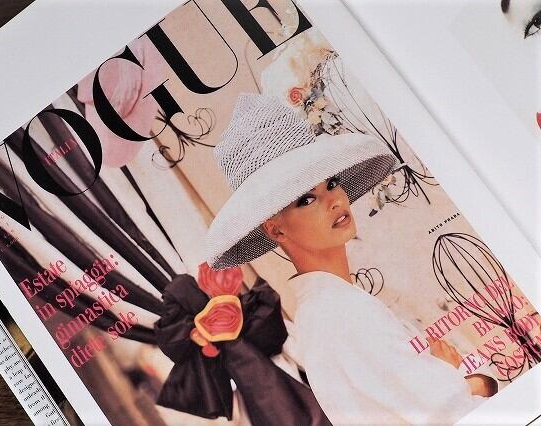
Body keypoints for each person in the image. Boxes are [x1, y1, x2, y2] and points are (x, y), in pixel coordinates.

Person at [205, 93, 497, 425]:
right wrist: (465, 380)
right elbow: (448, 412)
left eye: (331, 183)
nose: (334, 201)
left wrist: (463, 382)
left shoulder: (333, 305)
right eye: (306, 199)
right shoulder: (338, 312)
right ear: (275, 230)